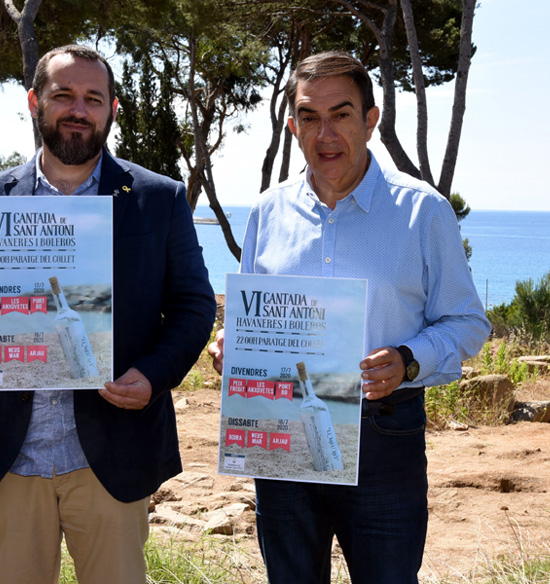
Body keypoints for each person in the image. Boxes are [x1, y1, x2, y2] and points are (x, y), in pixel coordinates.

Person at [0, 44, 216, 584]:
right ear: (35, 102)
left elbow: (195, 306)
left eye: (92, 98)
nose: (78, 109)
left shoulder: (158, 198)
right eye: (63, 95)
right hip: (11, 459)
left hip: (113, 455)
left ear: (111, 110)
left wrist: (154, 375)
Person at [208, 51, 490, 584]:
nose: (325, 133)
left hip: (384, 434)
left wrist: (408, 360)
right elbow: (258, 314)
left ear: (370, 119)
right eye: (310, 117)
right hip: (281, 430)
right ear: (292, 126)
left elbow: (467, 322)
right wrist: (235, 346)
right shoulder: (268, 211)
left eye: (341, 114)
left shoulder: (422, 212)